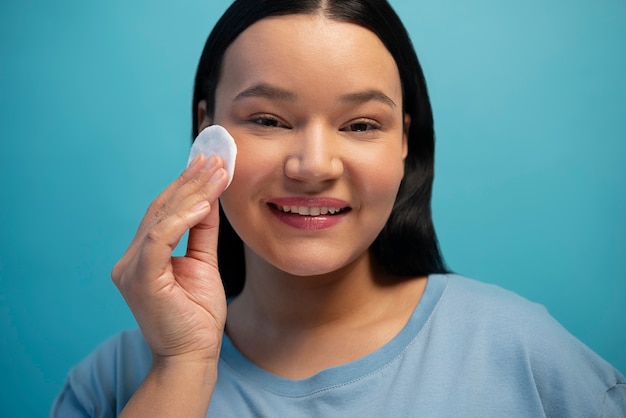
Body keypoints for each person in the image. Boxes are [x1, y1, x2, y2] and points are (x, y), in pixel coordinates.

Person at [51, 0, 626, 416]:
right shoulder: (113, 382)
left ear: (405, 140)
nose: (314, 165)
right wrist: (181, 368)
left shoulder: (525, 356)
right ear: (207, 130)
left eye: (360, 125)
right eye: (268, 120)